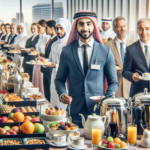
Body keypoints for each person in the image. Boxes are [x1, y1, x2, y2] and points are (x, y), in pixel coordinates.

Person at [55, 10, 118, 127]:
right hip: (75, 110)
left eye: (88, 24)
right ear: (76, 27)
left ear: (94, 26)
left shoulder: (106, 51)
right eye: (81, 24)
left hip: (98, 111)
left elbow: (113, 82)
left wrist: (106, 98)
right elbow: (59, 79)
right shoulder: (67, 51)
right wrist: (62, 93)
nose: (85, 28)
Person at [40, 18, 71, 109]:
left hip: (64, 81)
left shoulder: (69, 45)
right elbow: (50, 59)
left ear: (66, 29)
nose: (58, 31)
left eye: (61, 28)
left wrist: (56, 65)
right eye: (57, 28)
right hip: (53, 79)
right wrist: (43, 61)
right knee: (53, 105)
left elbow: (70, 66)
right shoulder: (54, 44)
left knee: (62, 109)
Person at [105, 17, 134, 99]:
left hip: (131, 88)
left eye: (124, 26)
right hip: (115, 89)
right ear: (114, 29)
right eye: (119, 26)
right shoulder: (107, 46)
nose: (122, 29)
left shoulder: (134, 45)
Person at [122, 18, 150, 97]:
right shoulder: (131, 49)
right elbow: (125, 72)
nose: (144, 32)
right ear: (137, 31)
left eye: (147, 29)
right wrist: (132, 76)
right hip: (138, 94)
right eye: (141, 29)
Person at [39, 20, 58, 102]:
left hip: (50, 70)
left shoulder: (56, 40)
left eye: (46, 28)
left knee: (50, 94)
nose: (45, 30)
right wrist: (43, 58)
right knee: (46, 93)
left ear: (52, 29)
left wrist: (45, 59)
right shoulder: (51, 40)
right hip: (46, 69)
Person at [32, 19, 50, 96]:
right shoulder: (39, 37)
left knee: (41, 85)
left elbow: (47, 54)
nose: (37, 29)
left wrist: (38, 54)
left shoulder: (47, 37)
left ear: (44, 28)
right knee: (36, 83)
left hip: (42, 63)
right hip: (37, 62)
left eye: (39, 28)